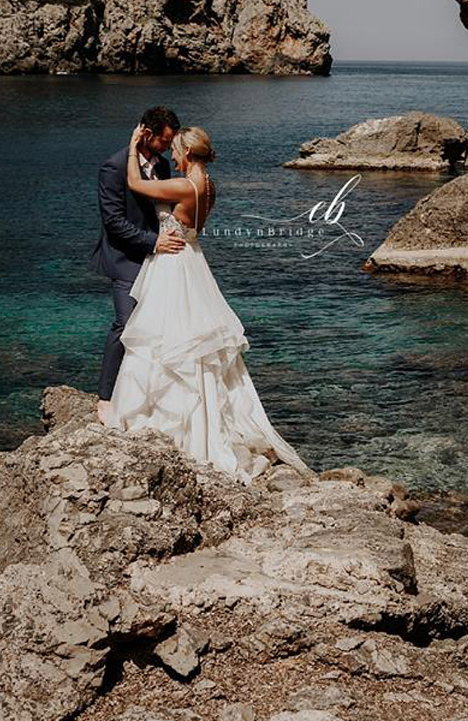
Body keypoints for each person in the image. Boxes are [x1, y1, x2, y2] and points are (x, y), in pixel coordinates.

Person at [102, 123, 311, 485]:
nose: (173, 158)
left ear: (186, 152)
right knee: (191, 338)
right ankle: (201, 415)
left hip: (172, 262)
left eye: (176, 153)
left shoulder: (185, 185)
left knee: (165, 337)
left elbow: (135, 184)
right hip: (192, 258)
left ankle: (164, 417)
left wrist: (133, 146)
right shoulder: (209, 187)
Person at [90, 105, 185, 425]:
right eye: (164, 141)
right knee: (126, 325)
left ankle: (143, 394)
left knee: (157, 327)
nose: (168, 148)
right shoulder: (114, 167)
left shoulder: (163, 166)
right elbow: (114, 222)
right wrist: (153, 242)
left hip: (158, 259)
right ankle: (105, 398)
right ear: (146, 133)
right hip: (125, 259)